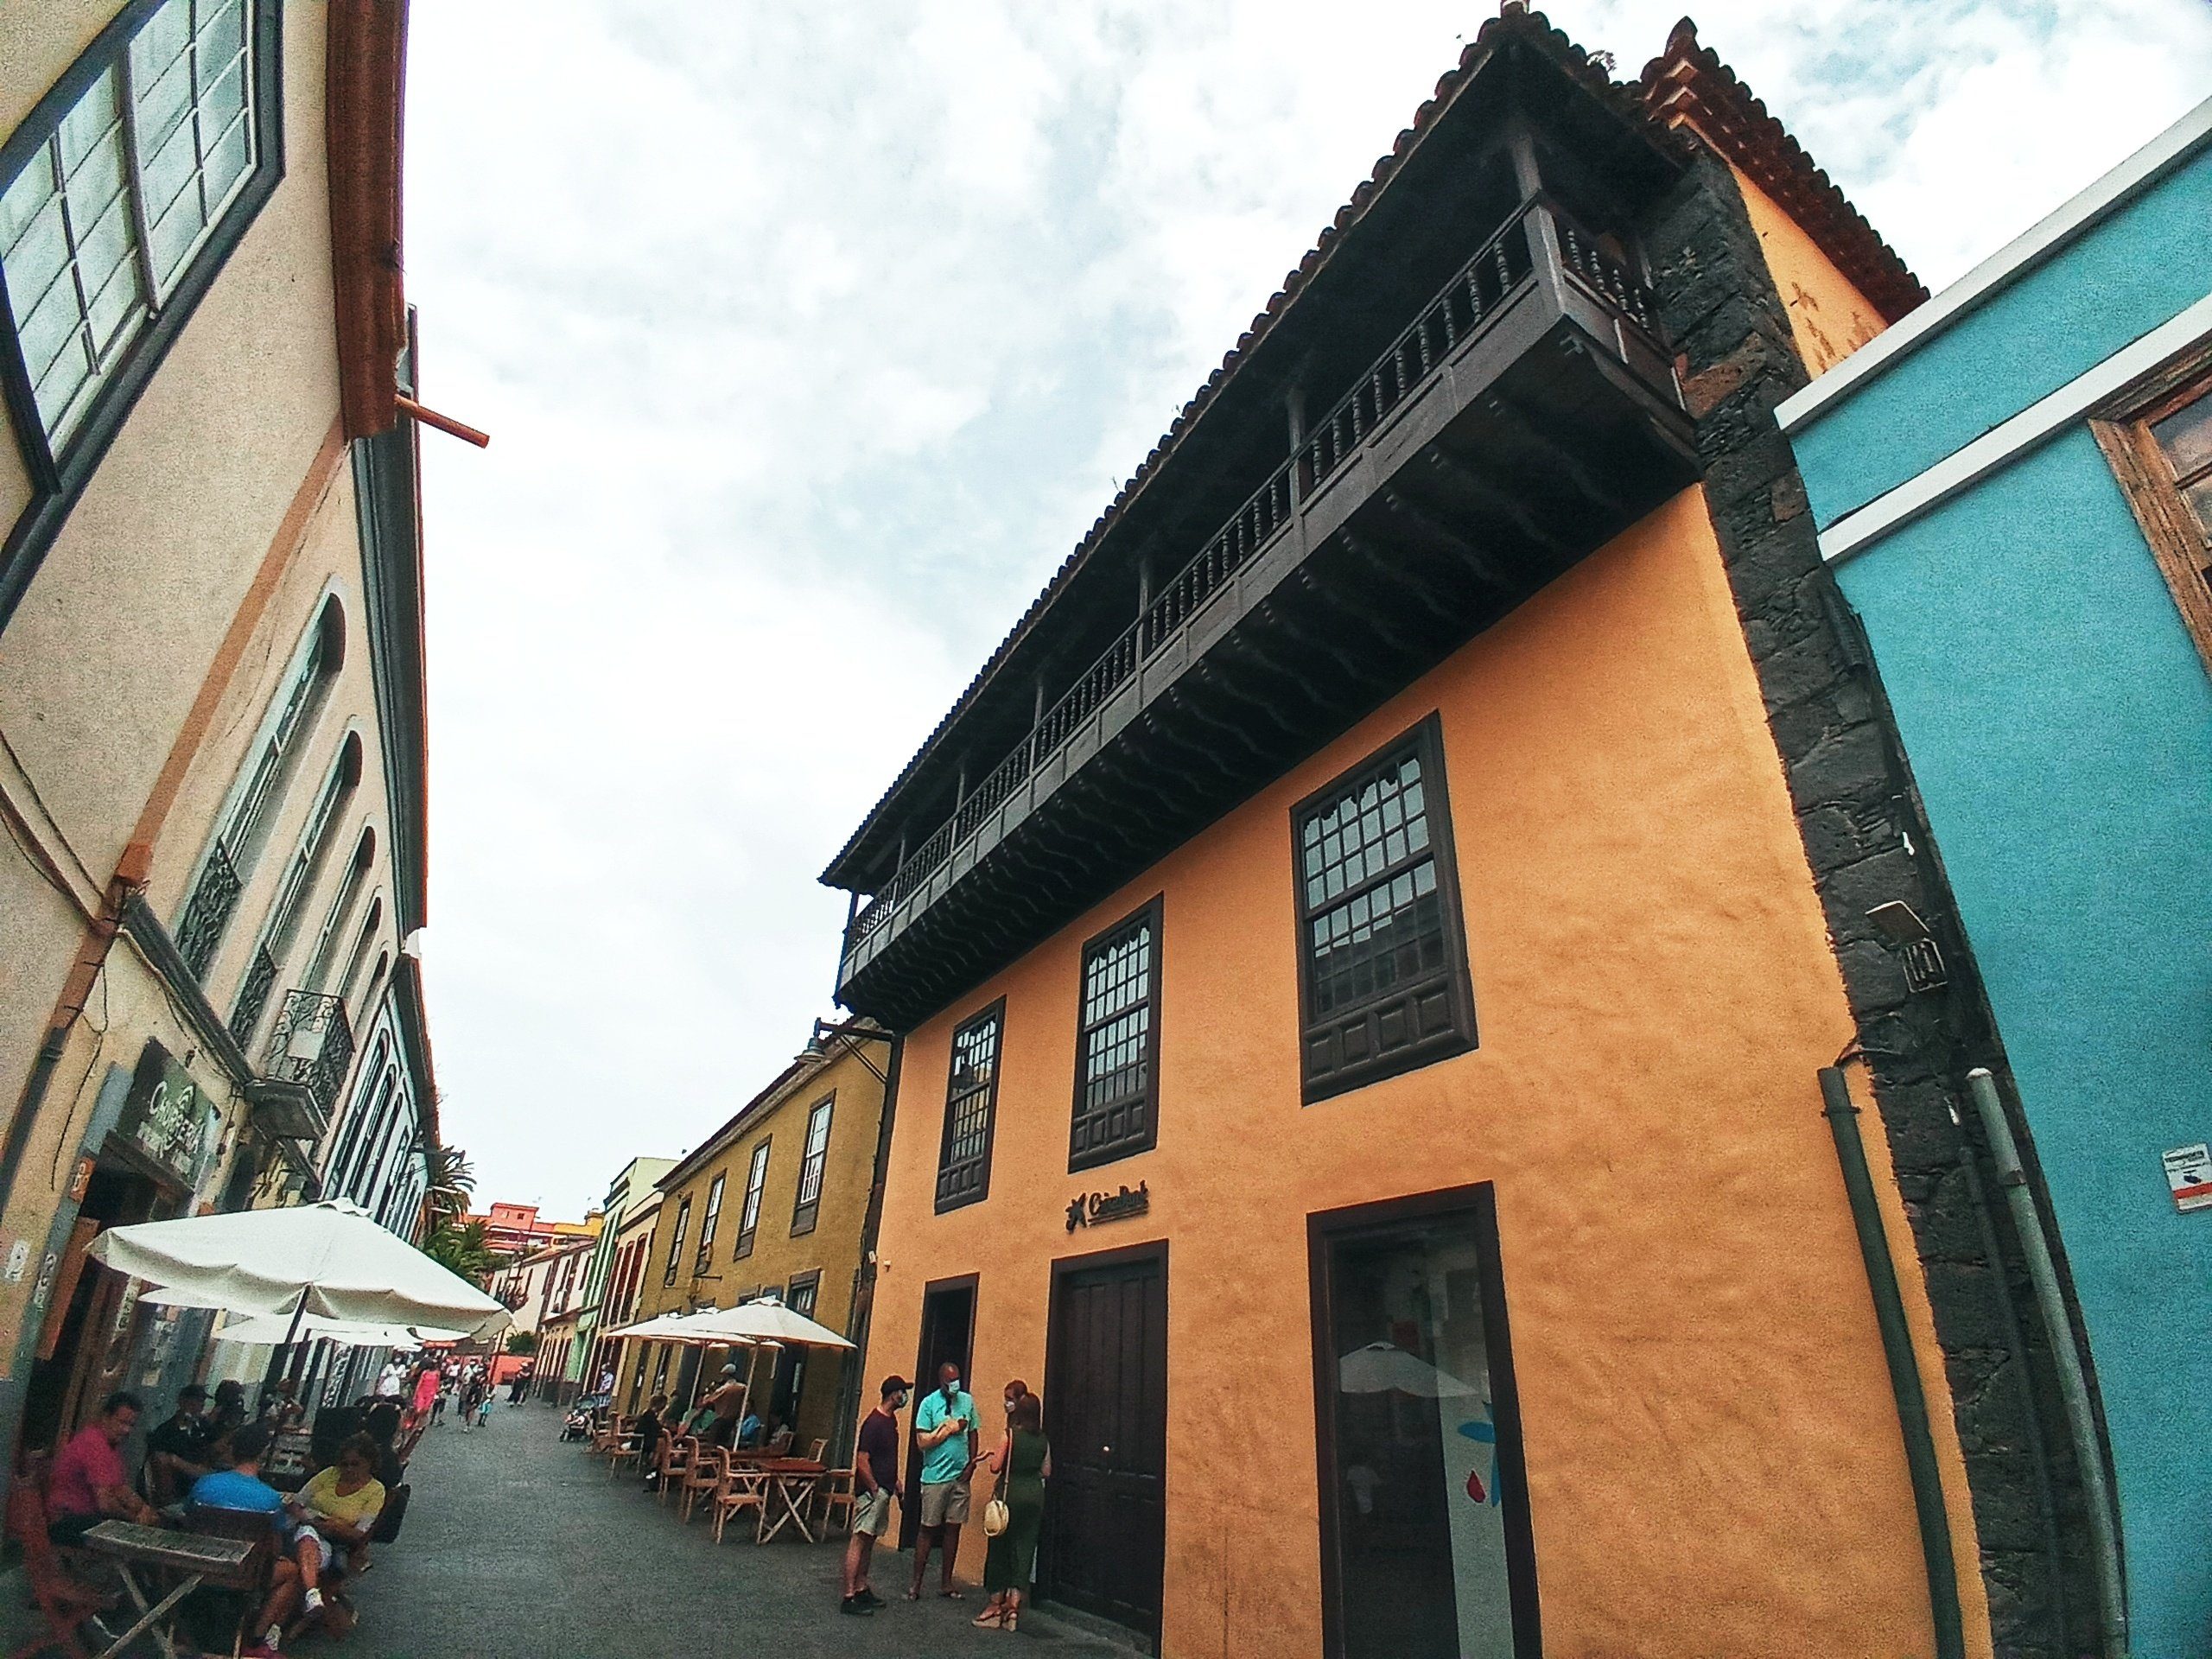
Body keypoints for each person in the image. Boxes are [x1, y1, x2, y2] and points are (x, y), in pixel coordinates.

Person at [190, 1422, 316, 1656]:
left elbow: (188, 1520)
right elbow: (274, 1547)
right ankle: (257, 1638)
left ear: (232, 1450)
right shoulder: (269, 1499)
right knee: (291, 1571)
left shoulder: (204, 1485)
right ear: (262, 1454)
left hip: (200, 1568)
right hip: (246, 1575)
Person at [975, 1391, 1052, 1631]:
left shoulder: (1009, 1435)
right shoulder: (1043, 1440)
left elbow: (996, 1467)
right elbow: (1046, 1471)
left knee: (999, 1548)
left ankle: (995, 1606)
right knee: (1024, 1549)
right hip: (1033, 1497)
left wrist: (990, 1459)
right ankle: (1014, 1609)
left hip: (1010, 1497)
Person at [907, 1362, 978, 1601]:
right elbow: (921, 1440)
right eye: (950, 1381)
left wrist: (971, 1464)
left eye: (957, 1379)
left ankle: (946, 1583)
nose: (954, 1384)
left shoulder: (967, 1401)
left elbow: (973, 1432)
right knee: (927, 1528)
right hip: (935, 1477)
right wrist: (949, 1429)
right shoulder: (928, 1403)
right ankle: (916, 1583)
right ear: (941, 1381)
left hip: (960, 1477)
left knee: (953, 1528)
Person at [48, 1391, 158, 1543]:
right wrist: (134, 1519)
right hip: (67, 1521)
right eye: (122, 1423)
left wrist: (144, 1509)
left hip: (86, 1518)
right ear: (106, 1417)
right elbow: (105, 1504)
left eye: (131, 1425)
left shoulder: (111, 1446)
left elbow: (121, 1488)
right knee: (137, 1539)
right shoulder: (94, 1444)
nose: (127, 1430)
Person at [840, 1375, 908, 1617]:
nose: (904, 1396)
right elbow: (862, 1459)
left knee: (869, 1540)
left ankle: (861, 1586)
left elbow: (886, 1458)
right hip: (872, 1493)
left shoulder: (890, 1422)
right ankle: (849, 1595)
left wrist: (896, 1483)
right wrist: (873, 1487)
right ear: (893, 1394)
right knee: (859, 1539)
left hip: (884, 1488)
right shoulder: (874, 1423)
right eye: (902, 1391)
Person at [290, 1433, 386, 1580]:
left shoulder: (375, 1491)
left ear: (369, 1463)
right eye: (344, 1464)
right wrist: (308, 1520)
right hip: (304, 1526)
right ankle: (312, 1593)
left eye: (355, 1464)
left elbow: (361, 1533)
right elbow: (297, 1502)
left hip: (334, 1541)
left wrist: (336, 1528)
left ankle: (309, 1591)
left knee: (298, 1559)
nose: (348, 1469)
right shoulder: (330, 1474)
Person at [145, 1383, 213, 1508]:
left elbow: (211, 1453)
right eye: (194, 1403)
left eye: (201, 1403)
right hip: (179, 1488)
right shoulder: (165, 1432)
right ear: (182, 1402)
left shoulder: (204, 1428)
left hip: (202, 1482)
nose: (199, 1407)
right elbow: (159, 1464)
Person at [698, 1363, 745, 1448]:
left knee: (713, 1446)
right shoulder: (742, 1388)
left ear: (725, 1375)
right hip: (733, 1421)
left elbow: (707, 1401)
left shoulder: (724, 1388)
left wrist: (709, 1393)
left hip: (721, 1420)